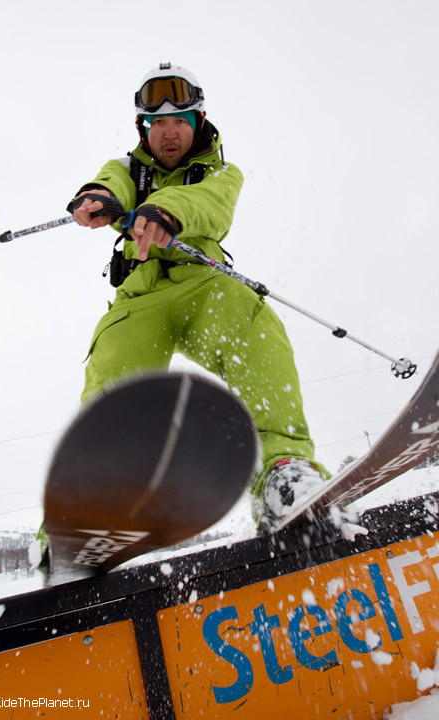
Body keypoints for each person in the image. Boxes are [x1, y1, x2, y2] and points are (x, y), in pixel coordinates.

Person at [68, 62, 329, 532]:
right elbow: (112, 182)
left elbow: (213, 204)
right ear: (143, 129)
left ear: (198, 123)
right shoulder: (127, 168)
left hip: (205, 285)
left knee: (254, 328)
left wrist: (165, 210)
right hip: (139, 294)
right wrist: (98, 197)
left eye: (180, 122)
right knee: (114, 371)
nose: (169, 133)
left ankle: (283, 470)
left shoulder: (222, 171)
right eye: (158, 123)